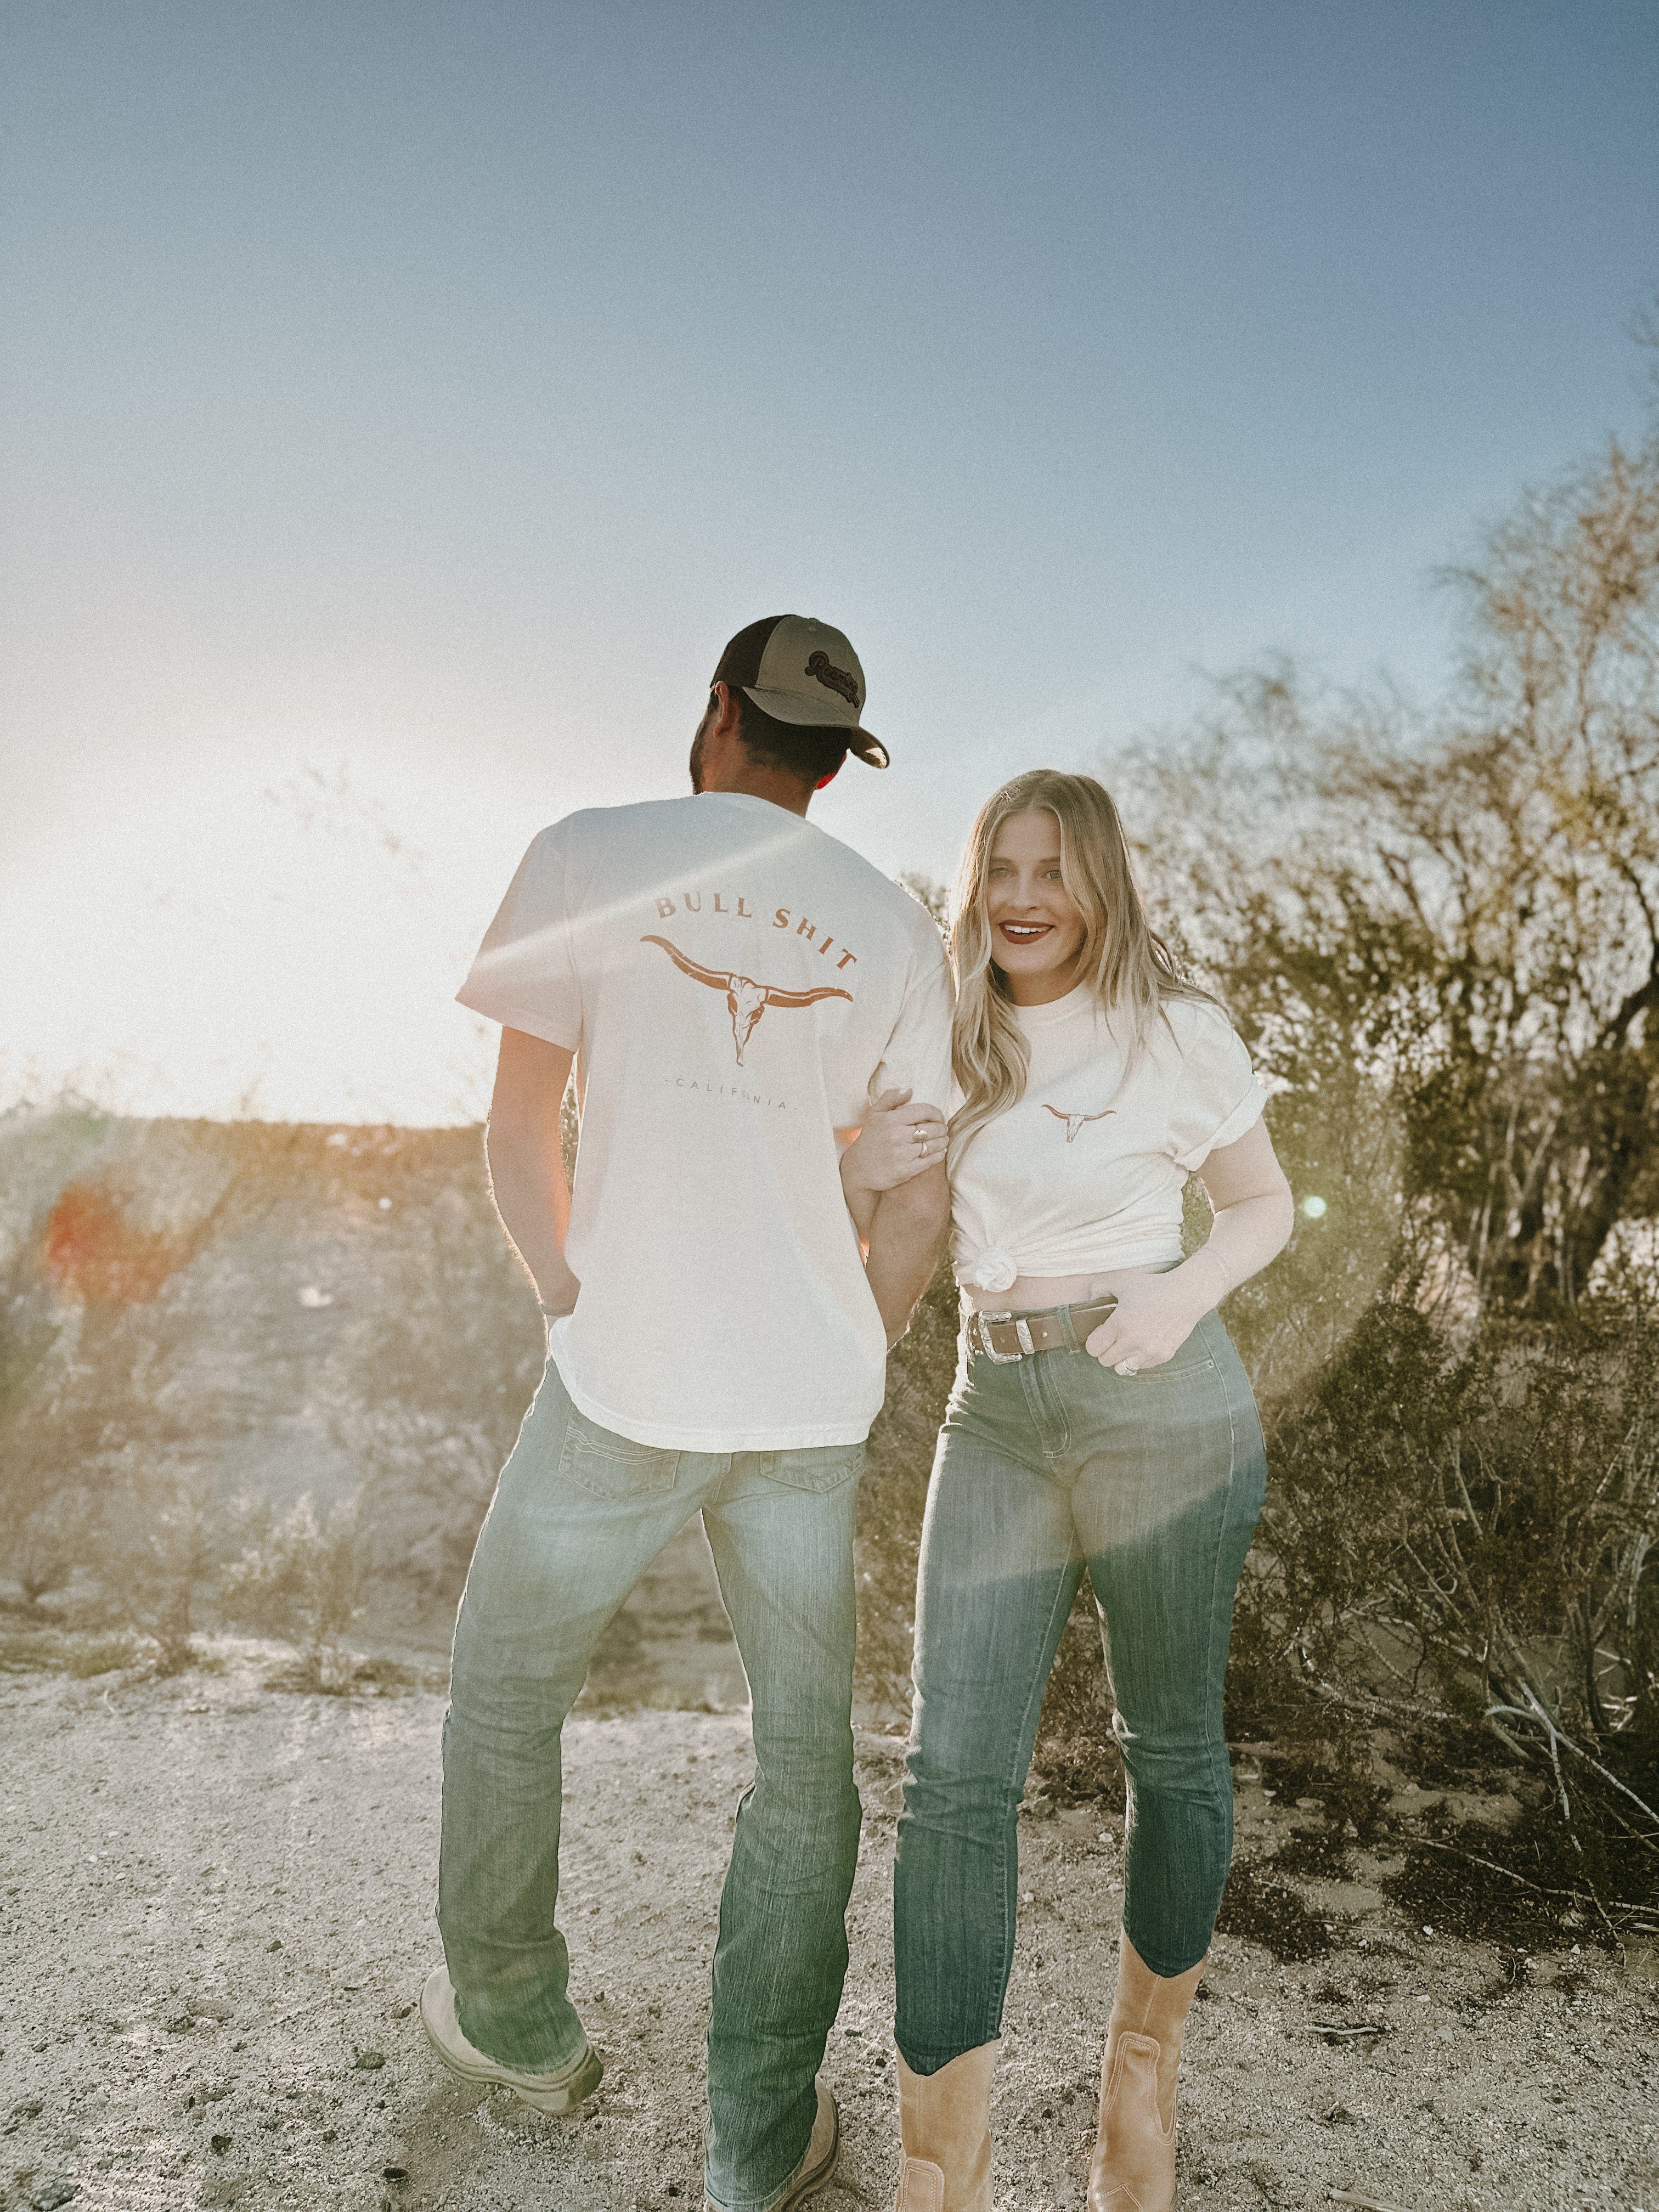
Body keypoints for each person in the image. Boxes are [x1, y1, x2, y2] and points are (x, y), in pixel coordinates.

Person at [425, 616, 953, 2212]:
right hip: (805, 1403)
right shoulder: (892, 924)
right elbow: (915, 1198)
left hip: (622, 1381)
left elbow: (521, 1123)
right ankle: (753, 2141)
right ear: (832, 762)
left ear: (718, 713)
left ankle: (518, 2028)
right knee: (805, 1772)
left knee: (507, 1691)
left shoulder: (589, 852)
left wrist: (563, 1286)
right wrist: (852, 1349)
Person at [840, 770, 1293, 2212]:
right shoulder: (944, 1033)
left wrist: (1182, 1296)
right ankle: (939, 2168)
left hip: (1162, 1403)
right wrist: (857, 1167)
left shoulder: (1177, 1029)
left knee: (1172, 1750)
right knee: (954, 1781)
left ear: (1100, 878)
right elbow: (894, 1215)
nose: (1027, 899)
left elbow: (1262, 1203)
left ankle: (1142, 2084)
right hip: (996, 1410)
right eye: (1004, 871)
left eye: (1055, 869)